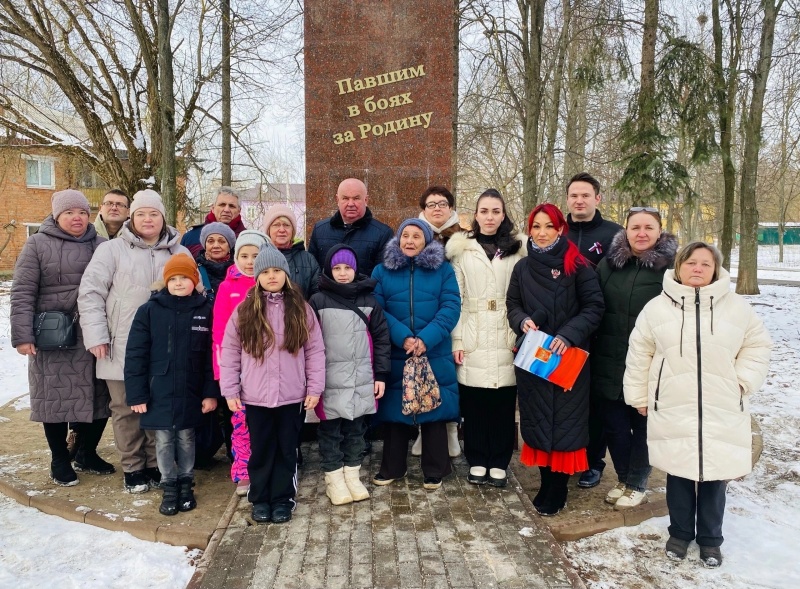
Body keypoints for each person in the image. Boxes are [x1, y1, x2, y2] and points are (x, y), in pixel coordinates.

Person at [625, 242, 771, 568]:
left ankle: (710, 540)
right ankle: (679, 534)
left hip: (721, 405)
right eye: (691, 262)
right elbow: (639, 354)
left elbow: (757, 345)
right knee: (678, 472)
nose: (697, 269)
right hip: (674, 404)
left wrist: (742, 381)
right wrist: (638, 396)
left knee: (714, 477)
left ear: (715, 270)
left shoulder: (736, 308)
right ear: (679, 267)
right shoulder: (657, 309)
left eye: (705, 264)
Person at [79, 189, 191, 494]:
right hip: (121, 344)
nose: (147, 219)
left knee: (159, 405)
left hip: (165, 350)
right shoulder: (111, 251)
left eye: (153, 213)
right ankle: (132, 466)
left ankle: (157, 463)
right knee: (126, 408)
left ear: (163, 217)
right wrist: (97, 335)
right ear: (132, 217)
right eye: (141, 213)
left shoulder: (179, 253)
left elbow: (195, 298)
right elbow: (90, 293)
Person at [506, 203, 604, 516]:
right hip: (535, 358)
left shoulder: (578, 264)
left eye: (550, 226)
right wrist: (522, 321)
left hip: (567, 358)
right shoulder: (522, 267)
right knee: (537, 421)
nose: (543, 232)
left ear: (561, 228)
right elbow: (513, 304)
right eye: (537, 226)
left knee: (565, 423)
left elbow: (594, 308)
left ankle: (558, 488)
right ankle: (545, 482)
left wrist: (567, 335)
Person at [11, 189, 113, 486]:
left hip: (94, 333)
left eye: (82, 211)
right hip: (53, 336)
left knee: (98, 396)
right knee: (54, 399)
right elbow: (22, 292)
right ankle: (59, 458)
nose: (77, 217)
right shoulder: (37, 245)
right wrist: (22, 336)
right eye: (69, 212)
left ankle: (86, 452)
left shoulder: (103, 245)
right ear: (57, 215)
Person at [219, 245, 325, 524]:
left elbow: (314, 350)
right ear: (257, 276)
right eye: (265, 272)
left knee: (286, 448)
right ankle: (260, 497)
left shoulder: (301, 309)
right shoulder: (245, 310)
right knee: (262, 448)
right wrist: (230, 390)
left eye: (277, 270)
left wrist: (314, 388)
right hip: (255, 396)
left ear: (286, 274)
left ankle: (282, 498)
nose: (272, 276)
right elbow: (229, 353)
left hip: (292, 396)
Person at [590, 207, 677, 509]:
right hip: (608, 357)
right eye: (635, 227)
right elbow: (593, 302)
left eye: (648, 228)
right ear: (625, 230)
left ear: (659, 231)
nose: (641, 233)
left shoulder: (671, 269)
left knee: (641, 425)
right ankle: (624, 478)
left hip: (649, 361)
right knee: (613, 423)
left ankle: (637, 481)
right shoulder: (610, 264)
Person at [124, 254, 220, 515]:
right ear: (166, 281)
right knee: (164, 440)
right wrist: (137, 394)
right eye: (173, 279)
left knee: (188, 438)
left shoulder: (205, 310)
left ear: (195, 280)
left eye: (185, 278)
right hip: (160, 390)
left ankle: (186, 481)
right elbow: (135, 354)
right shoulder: (149, 310)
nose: (179, 283)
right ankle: (169, 484)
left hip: (192, 389)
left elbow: (214, 354)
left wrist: (211, 393)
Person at [371, 219, 461, 491]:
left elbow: (450, 306)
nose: (410, 241)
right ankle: (392, 467)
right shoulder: (382, 271)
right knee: (395, 413)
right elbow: (376, 308)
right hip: (398, 351)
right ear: (397, 240)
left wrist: (426, 338)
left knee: (433, 410)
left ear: (427, 240)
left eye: (416, 236)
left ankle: (435, 469)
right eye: (405, 236)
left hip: (432, 350)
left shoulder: (443, 270)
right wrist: (403, 337)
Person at [446, 189, 525, 487]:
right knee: (475, 402)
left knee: (504, 401)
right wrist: (458, 340)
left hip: (507, 328)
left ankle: (500, 461)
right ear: (475, 215)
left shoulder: (518, 249)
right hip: (474, 329)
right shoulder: (463, 250)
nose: (489, 217)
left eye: (495, 211)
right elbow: (459, 298)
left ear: (503, 214)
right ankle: (477, 459)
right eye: (484, 211)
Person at [309, 245, 391, 505]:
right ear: (328, 270)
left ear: (356, 270)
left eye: (347, 267)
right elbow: (309, 343)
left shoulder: (369, 301)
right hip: (330, 380)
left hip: (361, 378)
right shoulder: (318, 301)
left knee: (357, 431)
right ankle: (334, 480)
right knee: (331, 432)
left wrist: (381, 374)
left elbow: (381, 339)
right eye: (337, 268)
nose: (343, 273)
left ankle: (352, 476)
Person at [564, 172, 623, 490]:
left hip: (601, 330)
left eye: (585, 195)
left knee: (596, 402)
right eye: (574, 195)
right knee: (568, 398)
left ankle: (592, 462)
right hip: (562, 330)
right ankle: (568, 455)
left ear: (597, 198)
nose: (579, 200)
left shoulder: (615, 234)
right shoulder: (557, 231)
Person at [212, 229, 272, 496]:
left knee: (268, 424)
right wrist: (223, 374)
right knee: (241, 424)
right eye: (244, 255)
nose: (249, 261)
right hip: (239, 371)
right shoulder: (228, 287)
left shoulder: (271, 285)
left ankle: (271, 467)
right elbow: (220, 334)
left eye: (255, 256)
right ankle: (244, 471)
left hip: (268, 370)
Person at [412, 185, 464, 458]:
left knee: (450, 376)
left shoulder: (465, 237)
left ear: (451, 207)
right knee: (423, 375)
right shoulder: (413, 235)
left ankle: (452, 430)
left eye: (442, 203)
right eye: (431, 203)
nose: (437, 208)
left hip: (457, 313)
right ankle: (424, 431)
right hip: (424, 316)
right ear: (423, 209)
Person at [308, 178, 393, 278]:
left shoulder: (383, 234)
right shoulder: (320, 230)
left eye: (356, 198)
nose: (351, 204)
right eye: (345, 198)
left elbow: (381, 278)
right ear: (337, 200)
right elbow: (313, 273)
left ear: (366, 200)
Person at [263, 204, 320, 299]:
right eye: (276, 225)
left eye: (286, 225)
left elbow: (316, 294)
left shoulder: (308, 259)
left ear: (292, 230)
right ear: (268, 230)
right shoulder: (259, 257)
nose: (282, 230)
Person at [182, 186, 247, 258]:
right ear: (213, 208)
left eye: (232, 206)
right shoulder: (191, 238)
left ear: (239, 211)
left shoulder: (248, 239)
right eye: (222, 205)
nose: (226, 210)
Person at [196, 221, 237, 299]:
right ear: (205, 245)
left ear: (229, 245)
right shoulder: (196, 270)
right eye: (210, 241)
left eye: (221, 241)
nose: (216, 246)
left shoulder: (239, 270)